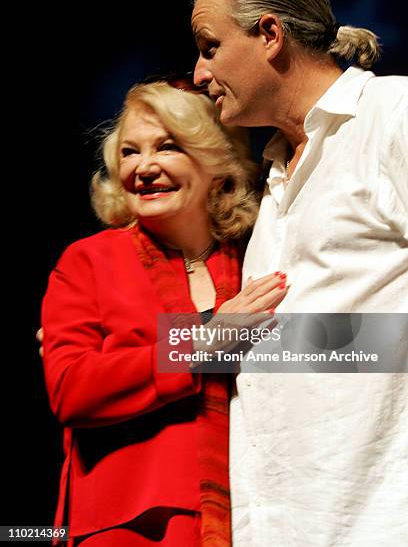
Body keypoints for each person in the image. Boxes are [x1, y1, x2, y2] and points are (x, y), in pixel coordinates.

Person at [191, 0, 408, 547]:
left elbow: (341, 339)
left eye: (209, 46)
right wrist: (161, 340)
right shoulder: (275, 179)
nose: (199, 73)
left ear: (269, 34)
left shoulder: (391, 116)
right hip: (283, 522)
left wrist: (185, 341)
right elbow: (291, 344)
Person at [41, 79, 289, 546]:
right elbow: (70, 389)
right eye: (130, 152)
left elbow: (336, 344)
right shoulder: (89, 261)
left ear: (217, 163)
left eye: (168, 147)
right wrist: (201, 340)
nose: (144, 167)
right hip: (127, 523)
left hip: (253, 518)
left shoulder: (257, 255)